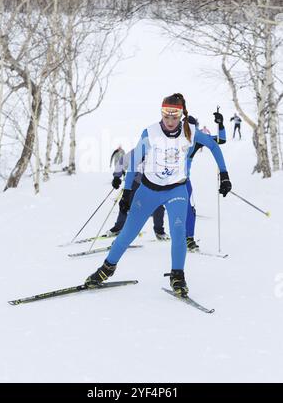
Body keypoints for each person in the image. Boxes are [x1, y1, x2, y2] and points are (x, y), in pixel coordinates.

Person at [84, 93, 232, 297]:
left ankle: (177, 276)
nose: (170, 121)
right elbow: (135, 159)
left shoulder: (191, 132)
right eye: (166, 115)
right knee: (127, 233)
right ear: (161, 113)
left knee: (178, 232)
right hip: (148, 191)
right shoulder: (151, 132)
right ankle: (107, 268)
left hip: (176, 190)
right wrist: (127, 192)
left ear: (181, 115)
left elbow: (215, 145)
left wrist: (224, 174)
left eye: (174, 116)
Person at [185, 110, 226, 250]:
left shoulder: (197, 138)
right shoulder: (172, 134)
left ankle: (188, 239)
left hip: (184, 180)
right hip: (164, 179)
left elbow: (220, 141)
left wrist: (220, 125)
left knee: (190, 209)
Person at [107, 157, 170, 241]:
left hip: (154, 184)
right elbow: (122, 161)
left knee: (158, 207)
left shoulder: (163, 152)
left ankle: (159, 232)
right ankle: (118, 228)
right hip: (137, 182)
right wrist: (116, 177)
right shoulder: (140, 149)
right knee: (126, 204)